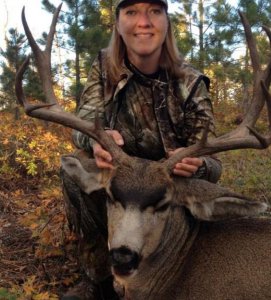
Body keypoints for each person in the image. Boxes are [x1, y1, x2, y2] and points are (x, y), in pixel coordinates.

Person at [61, 0, 222, 299]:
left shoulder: (190, 81)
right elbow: (81, 126)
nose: (143, 22)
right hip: (122, 177)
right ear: (118, 24)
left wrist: (198, 165)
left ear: (166, 22)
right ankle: (99, 280)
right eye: (132, 11)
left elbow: (213, 163)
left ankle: (176, 274)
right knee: (72, 169)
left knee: (204, 195)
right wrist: (95, 140)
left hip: (166, 184)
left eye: (155, 11)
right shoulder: (104, 68)